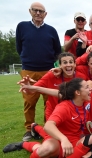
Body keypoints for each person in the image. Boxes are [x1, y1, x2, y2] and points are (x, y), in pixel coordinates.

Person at [5, 78, 92, 158]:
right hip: (59, 140)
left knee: (91, 139)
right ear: (77, 92)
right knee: (46, 149)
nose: (90, 90)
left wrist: (34, 88)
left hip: (75, 140)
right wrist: (64, 139)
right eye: (87, 88)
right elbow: (48, 126)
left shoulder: (85, 100)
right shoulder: (64, 106)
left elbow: (63, 92)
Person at [16, 2, 61, 141]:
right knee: (29, 101)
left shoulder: (51, 30)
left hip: (48, 71)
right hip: (29, 70)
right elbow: (19, 47)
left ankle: (49, 127)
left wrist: (48, 63)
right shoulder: (22, 27)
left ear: (45, 14)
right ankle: (29, 129)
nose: (38, 13)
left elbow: (57, 51)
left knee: (49, 101)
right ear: (30, 11)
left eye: (41, 11)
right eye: (35, 10)